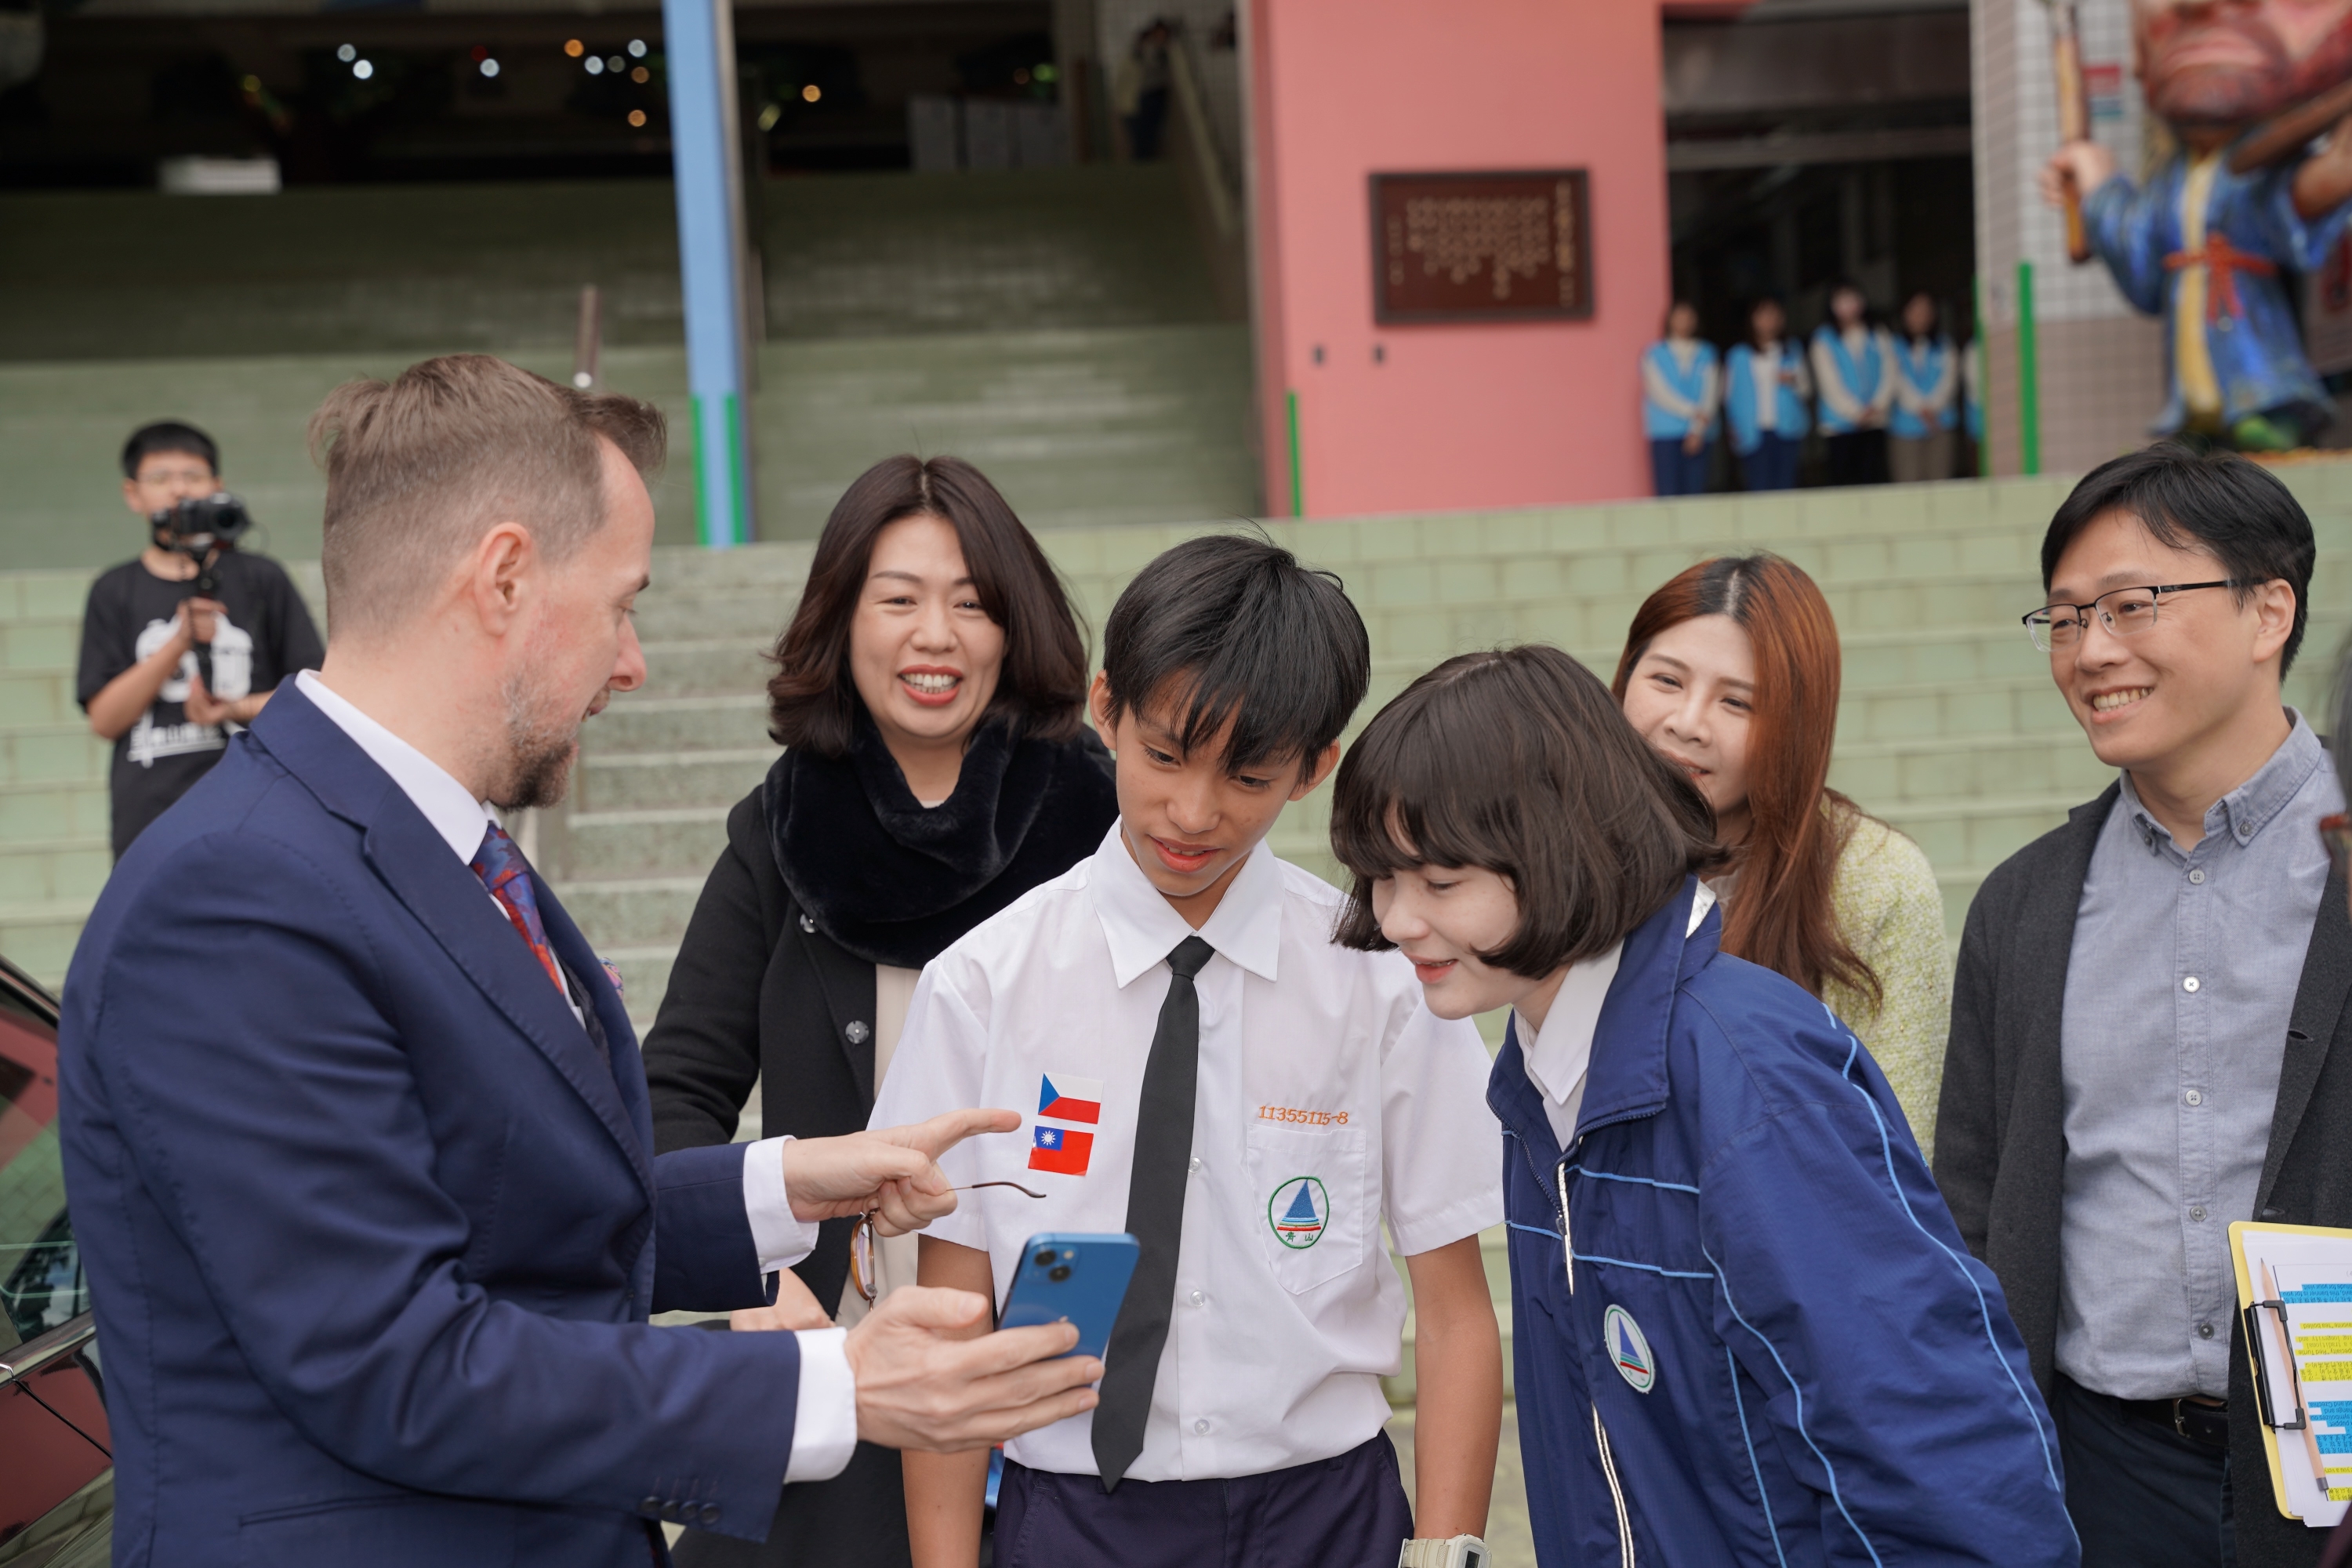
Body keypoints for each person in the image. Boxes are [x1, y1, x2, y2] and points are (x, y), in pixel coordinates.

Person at [54, 355, 1106, 1568]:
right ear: (504, 578)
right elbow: (394, 1364)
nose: (632, 662)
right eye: (622, 604)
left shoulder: (434, 852)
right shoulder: (238, 899)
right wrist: (833, 1387)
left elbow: (517, 1223)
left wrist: (788, 1183)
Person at [1327, 643, 2078, 1567]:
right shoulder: (1539, 1075)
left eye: (1440, 883)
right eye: (1383, 878)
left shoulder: (1747, 1074)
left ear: (1564, 849)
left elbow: (1937, 1448)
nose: (1398, 919)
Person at [872, 534, 1505, 1568]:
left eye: (1248, 776)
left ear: (1313, 769)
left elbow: (1455, 1312)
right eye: (1165, 756)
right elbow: (951, 1315)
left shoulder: (1383, 978)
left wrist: (1446, 1551)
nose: (1194, 812)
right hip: (1072, 1514)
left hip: (1326, 1514)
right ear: (1106, 708)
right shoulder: (985, 985)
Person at [642, 454, 1120, 1566]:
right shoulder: (782, 833)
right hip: (850, 1367)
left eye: (971, 603)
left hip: (1059, 1373)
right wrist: (759, 1282)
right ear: (841, 622)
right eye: (898, 599)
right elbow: (672, 1097)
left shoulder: (1104, 832)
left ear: (1017, 629)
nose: (935, 636)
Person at [1937, 441, 2350, 1568]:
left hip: (2333, 1481)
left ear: (2271, 610)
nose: (2091, 652)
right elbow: (1973, 1206)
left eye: (2131, 606)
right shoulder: (2024, 906)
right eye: (2065, 620)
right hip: (2106, 1472)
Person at [1613, 554, 1951, 1156]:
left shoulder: (1875, 879)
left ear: (1796, 726)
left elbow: (1899, 1153)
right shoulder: (1579, 854)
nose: (1688, 724)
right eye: (1666, 680)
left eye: (1737, 703)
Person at [2042, 0, 2352, 451]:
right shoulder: (2171, 181)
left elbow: (2326, 179)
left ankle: (2261, 414)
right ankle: (2203, 422)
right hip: (2187, 354)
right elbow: (2140, 258)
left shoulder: (2260, 176)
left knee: (2257, 432)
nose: (2196, 5)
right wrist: (2097, 182)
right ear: (2137, 52)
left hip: (2250, 334)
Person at [78, 420, 323, 857]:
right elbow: (105, 719)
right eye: (160, 478)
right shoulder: (114, 590)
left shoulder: (261, 578)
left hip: (264, 807)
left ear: (217, 486)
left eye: (192, 476)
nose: (179, 491)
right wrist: (178, 643)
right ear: (133, 494)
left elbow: (315, 695)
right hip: (152, 818)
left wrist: (234, 709)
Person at [1810, 282, 1895, 485]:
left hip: (1875, 421)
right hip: (1839, 426)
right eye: (1841, 299)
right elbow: (1829, 383)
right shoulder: (1824, 338)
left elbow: (1891, 370)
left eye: (1853, 297)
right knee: (1844, 483)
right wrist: (1855, 412)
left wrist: (1878, 406)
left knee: (1873, 479)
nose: (1848, 304)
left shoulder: (1878, 333)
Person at [1724, 296, 1811, 492]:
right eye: (1762, 315)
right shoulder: (1738, 355)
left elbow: (1807, 389)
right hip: (1752, 433)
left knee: (1786, 486)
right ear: (1752, 320)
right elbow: (1728, 396)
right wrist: (1733, 428)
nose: (1768, 320)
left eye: (1773, 315)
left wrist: (1793, 381)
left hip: (1787, 430)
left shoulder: (1792, 350)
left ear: (1782, 320)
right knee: (1759, 487)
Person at [1642, 299, 1720, 496]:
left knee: (1695, 491)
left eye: (1689, 316)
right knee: (1668, 493)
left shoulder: (1707, 352)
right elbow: (1659, 393)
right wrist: (1693, 412)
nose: (1684, 321)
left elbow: (1711, 393)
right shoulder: (1654, 354)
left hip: (1699, 433)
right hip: (1665, 433)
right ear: (1669, 320)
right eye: (1679, 316)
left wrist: (1697, 430)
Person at [1889, 291, 1960, 484]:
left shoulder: (1945, 345)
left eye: (1926, 311)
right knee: (1909, 483)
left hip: (1940, 423)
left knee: (1940, 482)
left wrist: (1933, 407)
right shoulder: (1893, 346)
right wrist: (1921, 407)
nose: (1921, 316)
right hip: (1905, 426)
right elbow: (1896, 381)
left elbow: (1949, 381)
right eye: (1915, 310)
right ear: (1904, 313)